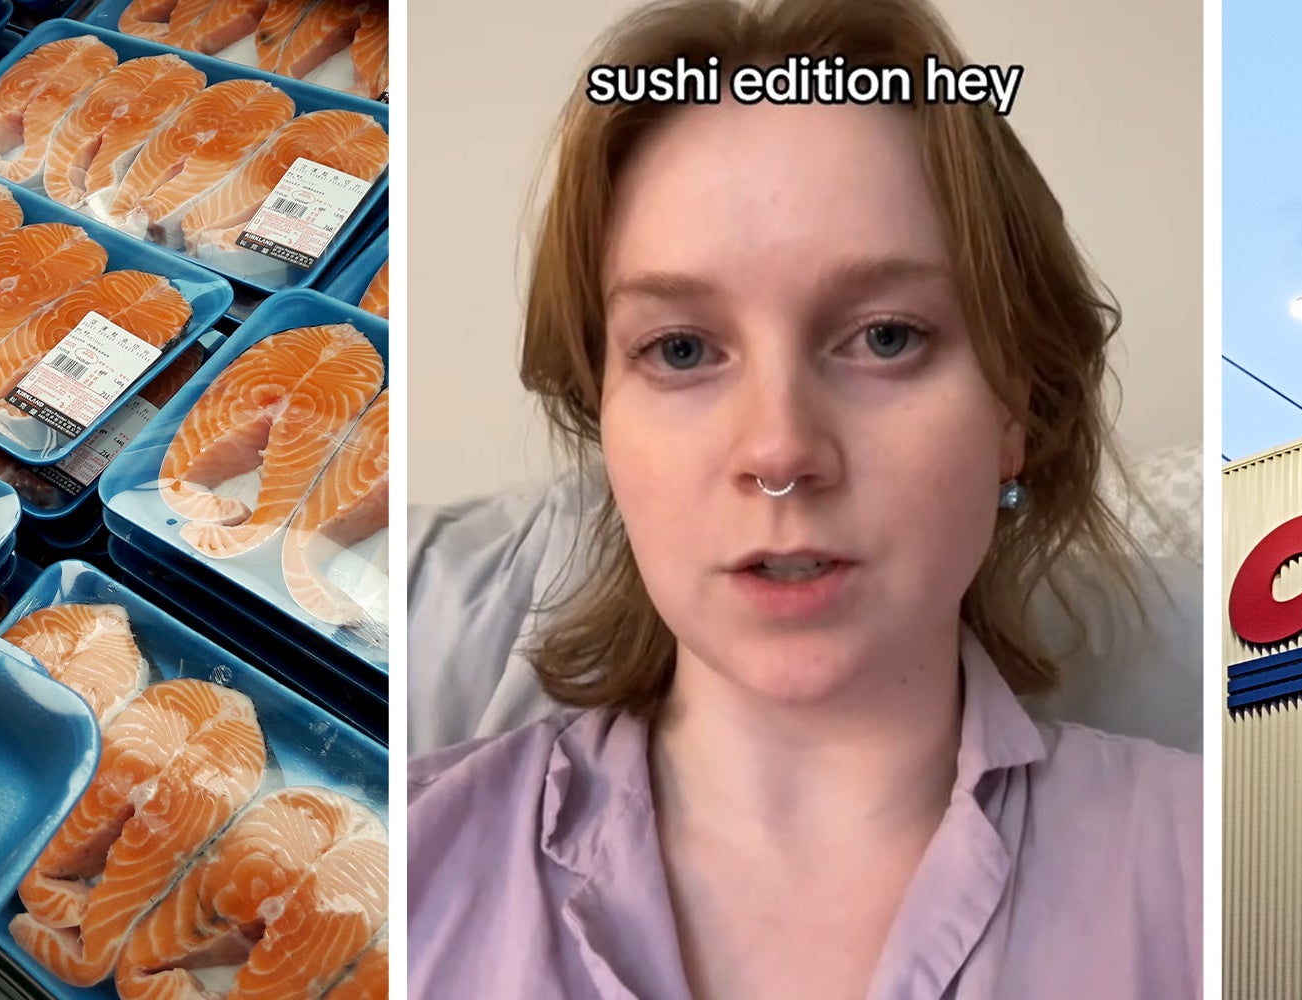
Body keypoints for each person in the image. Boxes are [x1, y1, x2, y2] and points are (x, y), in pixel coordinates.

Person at [407, 0, 1200, 996]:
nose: (779, 451)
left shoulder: (1205, 872)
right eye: (681, 349)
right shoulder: (406, 868)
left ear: (1016, 411)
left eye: (884, 336)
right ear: (601, 420)